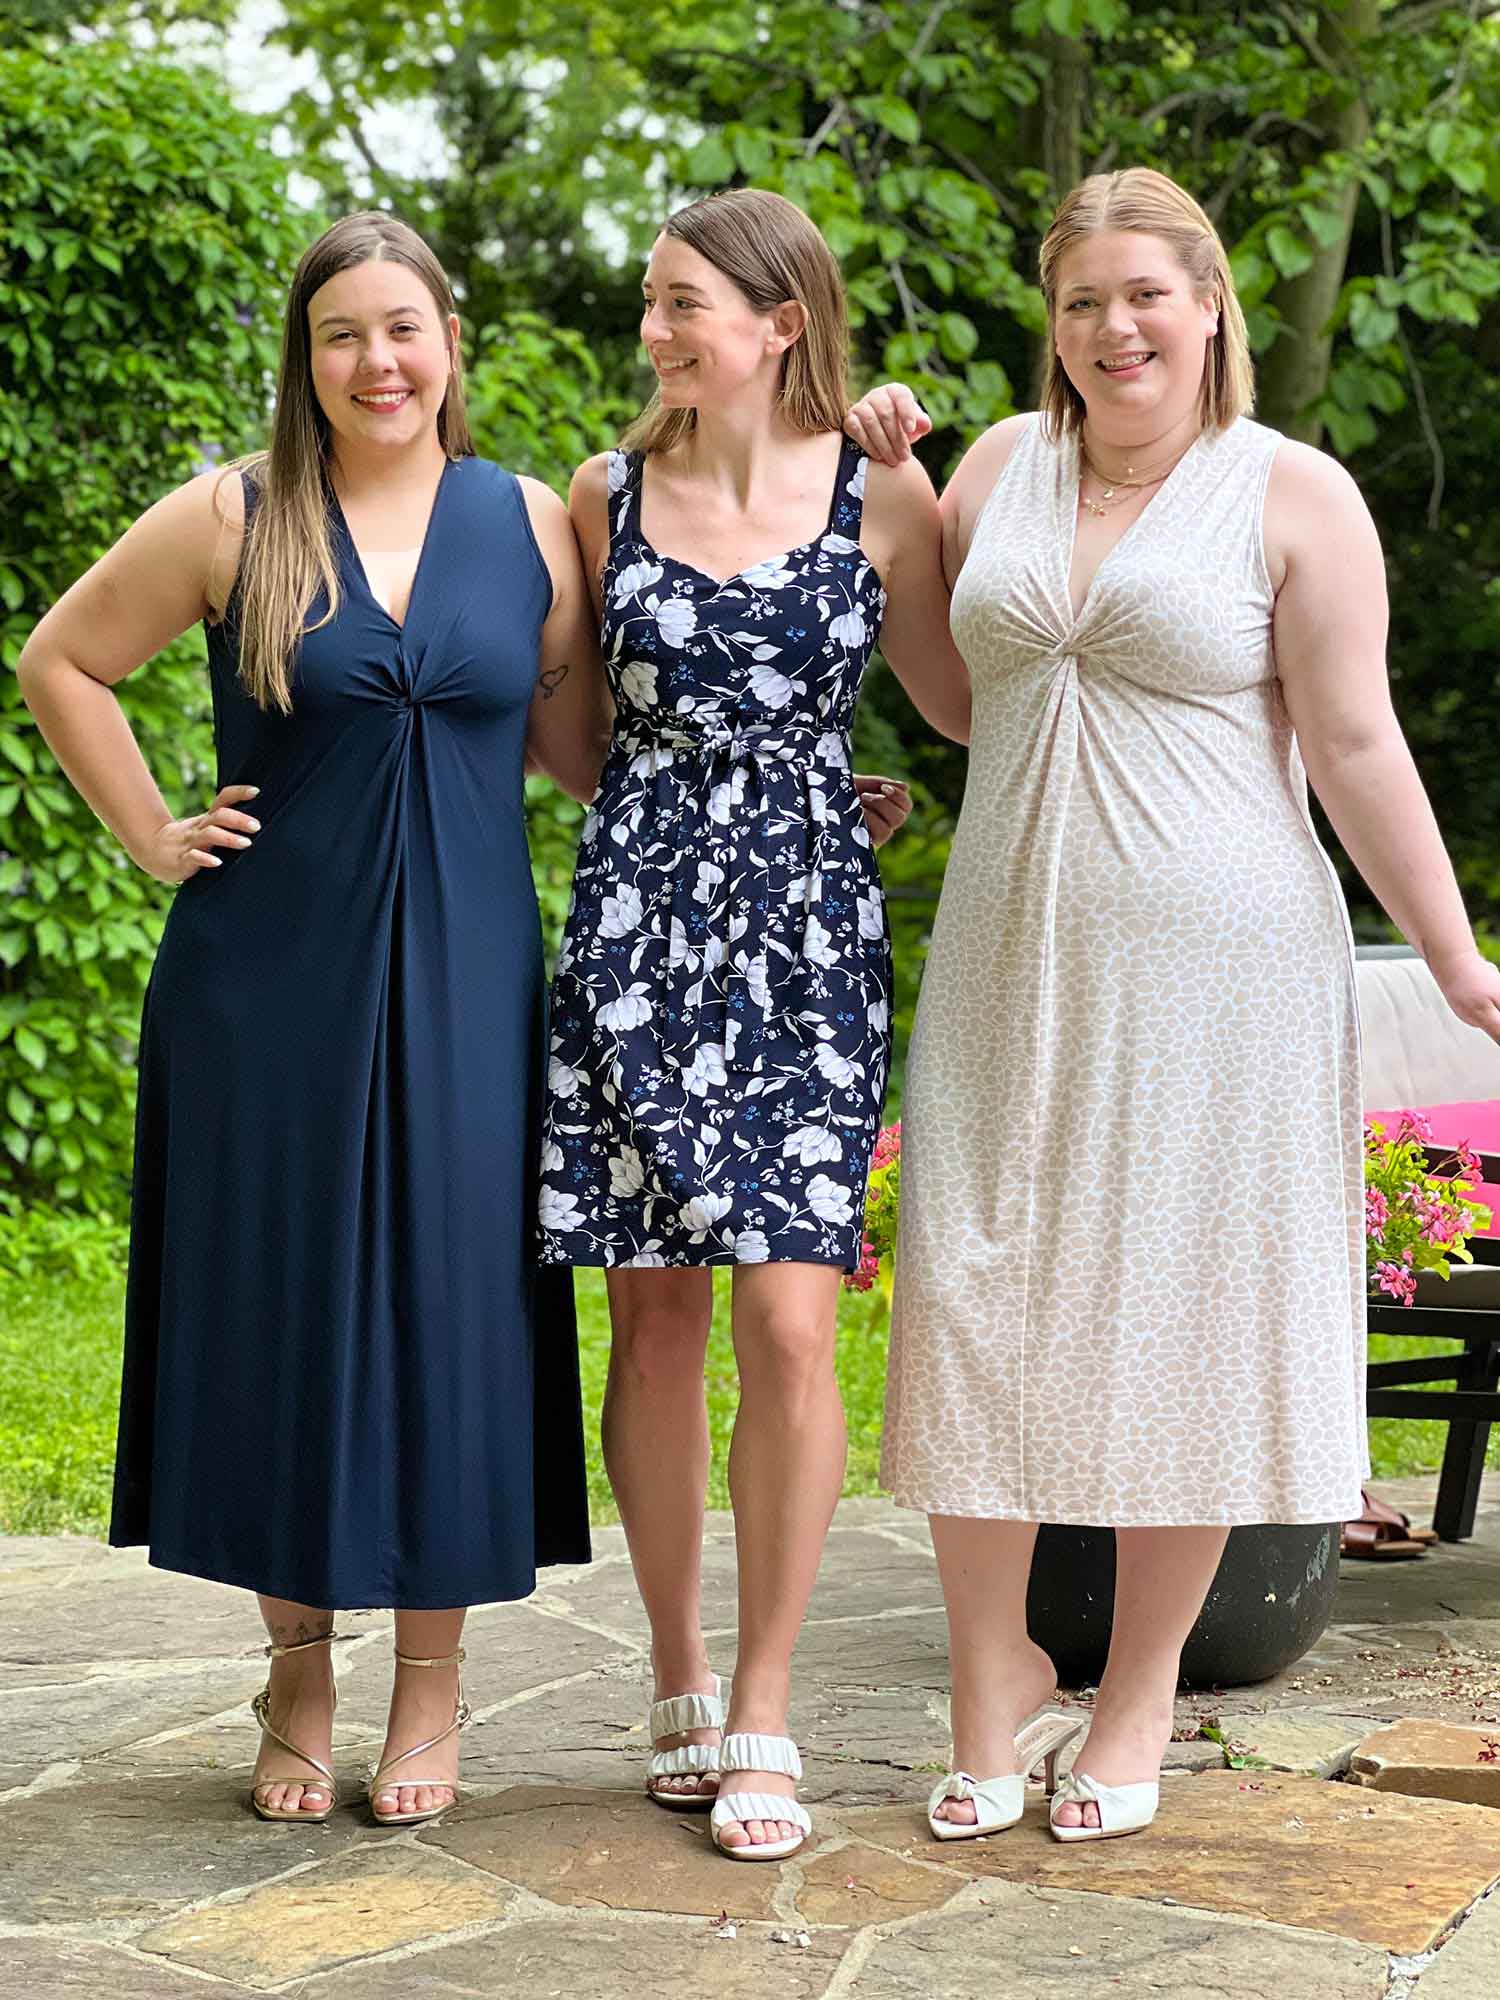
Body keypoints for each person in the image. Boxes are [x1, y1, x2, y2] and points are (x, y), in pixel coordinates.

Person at [844, 166, 1500, 1843]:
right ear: (1053, 322)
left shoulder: (1293, 494)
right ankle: (992, 1680)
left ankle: (1136, 1698)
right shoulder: (1001, 463)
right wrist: (899, 510)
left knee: (1185, 1314)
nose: (1114, 328)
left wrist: (1455, 960)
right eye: (1082, 302)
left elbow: (1353, 743)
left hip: (1223, 975)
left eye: (1146, 295)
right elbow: (957, 699)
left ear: (1210, 305)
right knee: (979, 1294)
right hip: (1010, 954)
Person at [18, 212, 609, 1828]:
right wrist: (152, 834)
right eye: (342, 332)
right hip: (268, 984)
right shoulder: (235, 514)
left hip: (472, 982)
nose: (377, 361)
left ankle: (432, 1683)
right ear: (307, 355)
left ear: (450, 340)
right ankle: (298, 1673)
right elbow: (63, 659)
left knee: (459, 1308)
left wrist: (778, 801)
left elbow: (577, 755)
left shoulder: (529, 523)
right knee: (286, 1307)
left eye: (403, 327)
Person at [537, 188, 968, 1860]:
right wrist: (704, 798)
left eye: (683, 304)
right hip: (639, 928)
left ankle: (769, 1702)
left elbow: (957, 702)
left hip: (807, 943)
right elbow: (571, 736)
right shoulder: (603, 495)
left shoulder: (879, 492)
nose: (653, 329)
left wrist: (814, 790)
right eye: (650, 301)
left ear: (782, 323)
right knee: (653, 1324)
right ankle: (681, 1674)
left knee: (791, 1323)